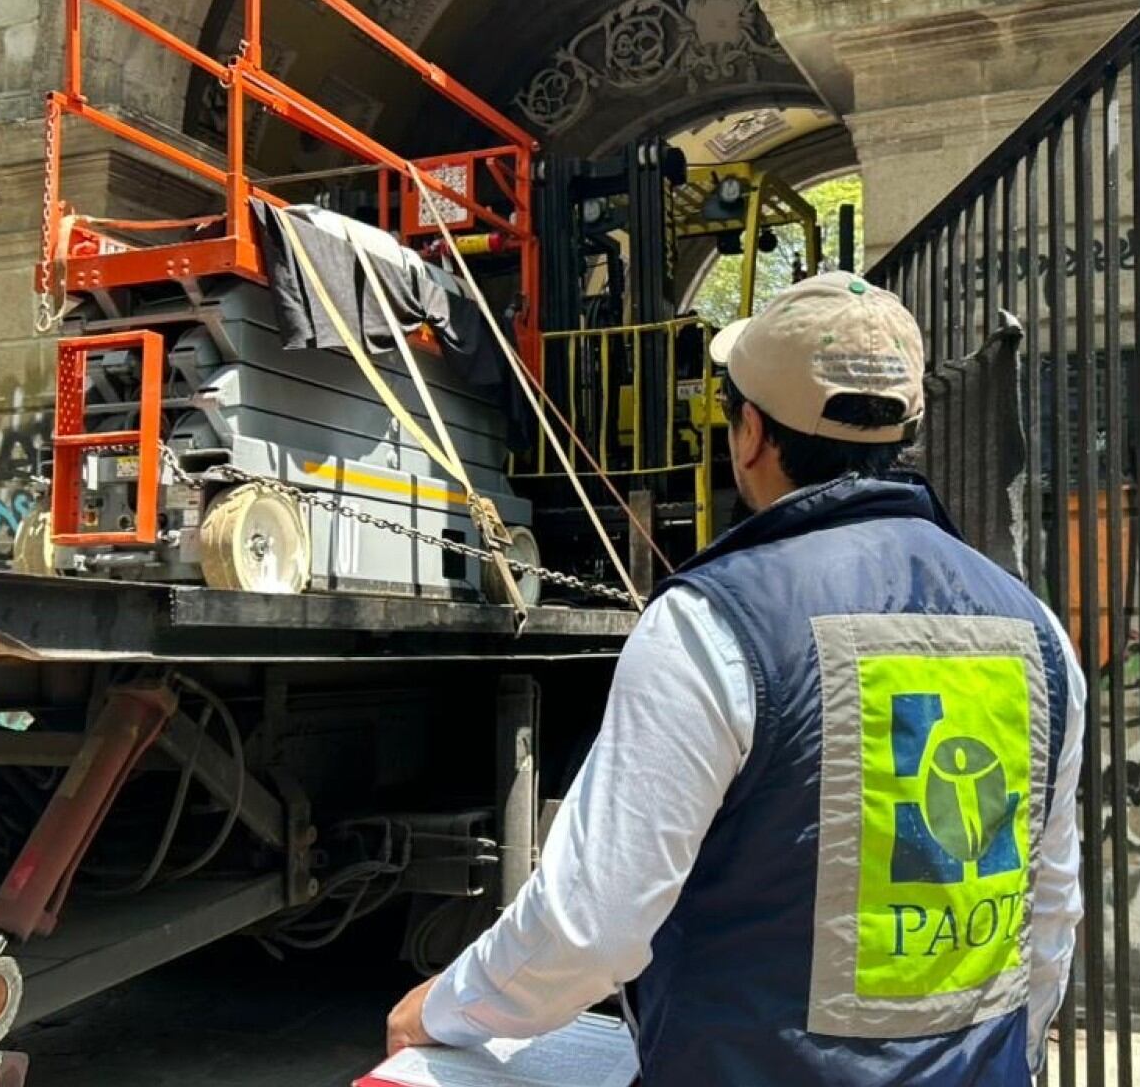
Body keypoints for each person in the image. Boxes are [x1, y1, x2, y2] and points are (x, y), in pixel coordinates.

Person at [387, 271, 1085, 1085]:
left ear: (749, 433)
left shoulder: (714, 624)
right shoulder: (1035, 632)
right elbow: (1049, 922)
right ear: (905, 431)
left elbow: (591, 929)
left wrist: (441, 1007)